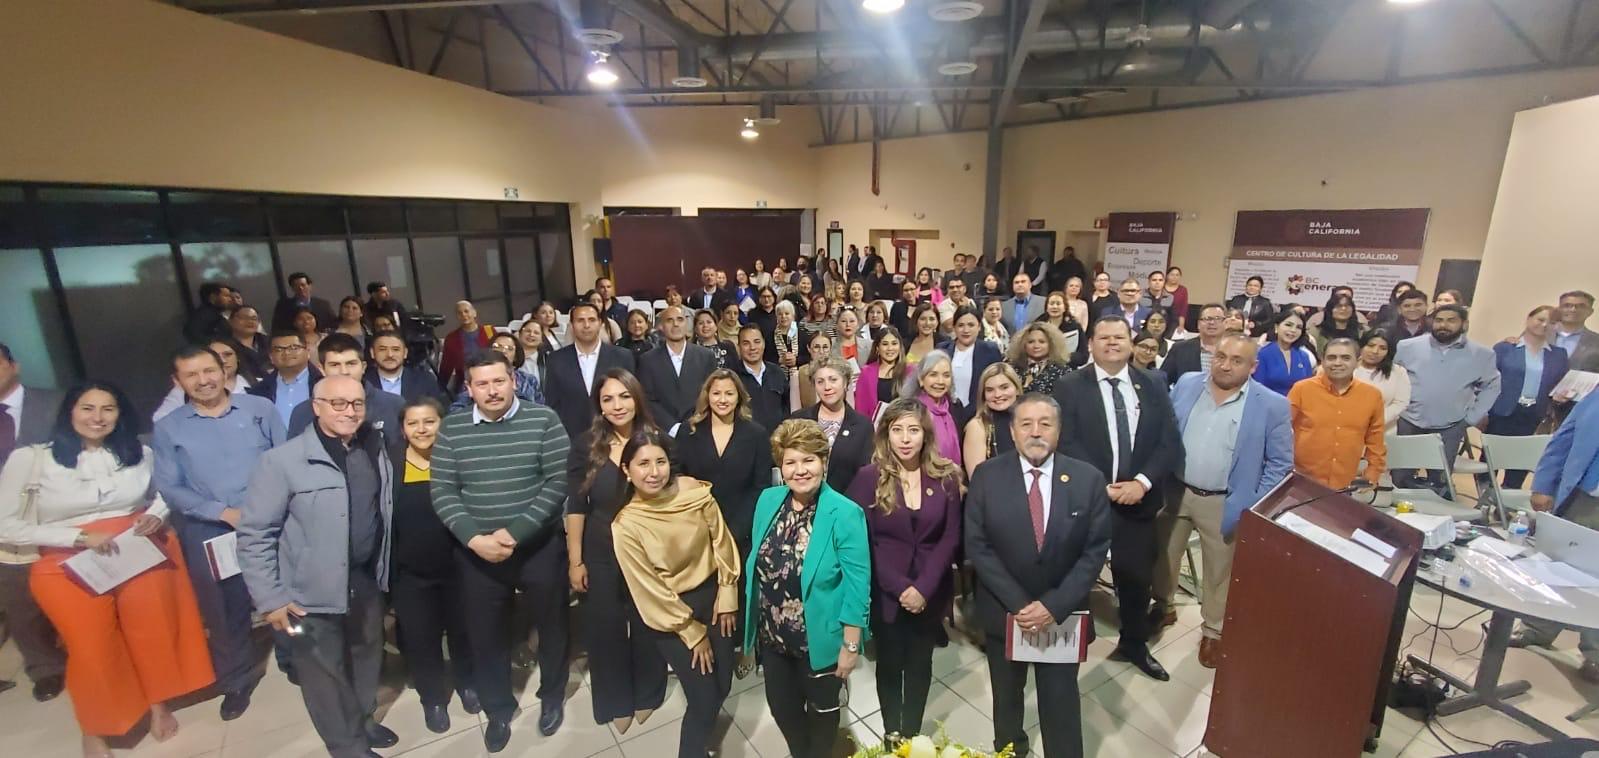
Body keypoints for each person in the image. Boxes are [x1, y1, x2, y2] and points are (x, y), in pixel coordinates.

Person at [0, 382, 214, 755]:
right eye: (88, 408)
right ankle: (96, 727)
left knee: (150, 636)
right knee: (90, 649)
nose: (97, 418)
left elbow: (165, 492)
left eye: (108, 409)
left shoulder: (138, 452)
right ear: (70, 411)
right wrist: (78, 537)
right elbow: (5, 524)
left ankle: (156, 706)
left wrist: (154, 515)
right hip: (65, 562)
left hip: (137, 552)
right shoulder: (33, 459)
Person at [239, 375, 398, 757]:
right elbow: (255, 533)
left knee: (365, 657)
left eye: (357, 404)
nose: (349, 412)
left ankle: (363, 721)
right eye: (338, 403)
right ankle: (345, 747)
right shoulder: (281, 461)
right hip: (308, 593)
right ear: (316, 406)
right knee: (324, 677)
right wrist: (271, 599)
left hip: (364, 579)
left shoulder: (373, 448)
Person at [431, 353, 572, 750]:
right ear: (469, 389)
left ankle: (552, 697)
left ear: (513, 380)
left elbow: (556, 481)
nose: (491, 390)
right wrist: (475, 539)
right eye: (482, 384)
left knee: (552, 624)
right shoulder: (452, 430)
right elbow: (442, 490)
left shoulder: (543, 420)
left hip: (538, 546)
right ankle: (497, 708)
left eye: (498, 381)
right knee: (485, 633)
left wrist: (513, 533)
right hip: (476, 550)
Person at [966, 393, 1111, 758]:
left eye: (1045, 424)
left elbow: (1094, 552)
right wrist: (1020, 605)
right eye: (1026, 424)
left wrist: (1052, 606)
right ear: (1012, 432)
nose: (1035, 432)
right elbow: (977, 546)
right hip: (1006, 613)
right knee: (1007, 700)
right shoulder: (987, 476)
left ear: (1058, 431)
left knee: (1060, 701)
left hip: (1061, 616)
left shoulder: (1087, 479)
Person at [154, 344, 288, 719]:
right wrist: (223, 512)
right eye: (191, 375)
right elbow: (171, 486)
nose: (203, 380)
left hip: (271, 520)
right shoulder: (169, 427)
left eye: (208, 371)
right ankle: (237, 680)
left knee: (283, 591)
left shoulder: (259, 409)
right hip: (210, 530)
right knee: (225, 610)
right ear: (177, 381)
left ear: (224, 370)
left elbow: (285, 457)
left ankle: (296, 660)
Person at [1052, 316, 1184, 681]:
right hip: (1087, 500)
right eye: (1104, 337)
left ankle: (1134, 644)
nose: (1112, 343)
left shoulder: (1152, 384)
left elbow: (1168, 441)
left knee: (1136, 577)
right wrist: (1100, 484)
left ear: (1131, 342)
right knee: (1075, 576)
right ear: (1091, 343)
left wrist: (1141, 483)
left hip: (1136, 501)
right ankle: (1062, 647)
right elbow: (1065, 441)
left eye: (1119, 337)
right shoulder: (1069, 385)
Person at [1156, 335, 1294, 668]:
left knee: (1219, 571)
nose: (1226, 365)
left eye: (1236, 360)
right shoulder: (1189, 384)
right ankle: (1162, 606)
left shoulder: (1271, 404)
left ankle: (1213, 632)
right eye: (1220, 356)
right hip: (1175, 492)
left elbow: (1280, 464)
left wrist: (1253, 504)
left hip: (1224, 501)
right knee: (1163, 556)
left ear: (1253, 367)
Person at [611, 430, 742, 758]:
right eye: (643, 464)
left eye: (660, 462)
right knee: (702, 696)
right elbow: (646, 588)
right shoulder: (626, 524)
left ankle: (703, 740)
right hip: (670, 615)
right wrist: (690, 631)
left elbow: (720, 539)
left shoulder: (694, 492)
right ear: (627, 470)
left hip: (714, 597)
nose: (654, 472)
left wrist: (727, 592)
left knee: (723, 683)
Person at [745, 419, 871, 758]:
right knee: (782, 709)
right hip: (772, 639)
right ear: (781, 467)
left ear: (824, 462)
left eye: (809, 460)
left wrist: (851, 644)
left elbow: (858, 587)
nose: (800, 470)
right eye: (791, 462)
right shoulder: (768, 501)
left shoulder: (845, 513)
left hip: (819, 641)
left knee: (823, 713)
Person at [844, 399, 963, 741]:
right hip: (886, 592)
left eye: (913, 430)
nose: (905, 439)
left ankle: (912, 733)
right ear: (886, 435)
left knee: (920, 664)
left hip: (930, 589)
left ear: (925, 435)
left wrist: (923, 587)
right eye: (897, 430)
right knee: (890, 663)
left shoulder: (946, 477)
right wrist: (898, 587)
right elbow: (860, 541)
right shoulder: (868, 478)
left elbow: (951, 536)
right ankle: (892, 731)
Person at [564, 370, 669, 736]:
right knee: (604, 626)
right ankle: (614, 700)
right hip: (600, 546)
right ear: (599, 405)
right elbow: (576, 504)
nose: (617, 405)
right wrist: (575, 560)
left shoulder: (657, 439)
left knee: (647, 621)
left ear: (637, 397)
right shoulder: (585, 445)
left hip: (648, 548)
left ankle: (648, 693)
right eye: (608, 399)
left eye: (624, 396)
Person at [388, 398, 478, 733]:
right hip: (410, 572)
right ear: (403, 429)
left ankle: (468, 683)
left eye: (429, 422)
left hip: (458, 566)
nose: (422, 430)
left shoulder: (456, 457)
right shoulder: (390, 463)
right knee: (420, 638)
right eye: (413, 423)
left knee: (462, 631)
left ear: (443, 424)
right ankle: (433, 699)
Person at [1507, 390, 1599, 681]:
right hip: (1581, 495)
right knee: (1559, 564)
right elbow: (1564, 438)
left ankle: (1595, 652)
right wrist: (1543, 484)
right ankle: (1537, 628)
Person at [0, 343, 67, 701]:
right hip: (5, 527)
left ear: (14, 364)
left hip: (58, 513)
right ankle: (45, 668)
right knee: (21, 602)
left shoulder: (56, 403)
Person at [676, 368, 773, 588]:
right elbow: (678, 478)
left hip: (740, 532)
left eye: (729, 393)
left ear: (739, 396)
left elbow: (760, 487)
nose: (722, 399)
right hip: (696, 531)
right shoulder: (688, 432)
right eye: (716, 393)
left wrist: (734, 531)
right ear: (707, 396)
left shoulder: (756, 434)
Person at [1392, 304, 1501, 497]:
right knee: (1399, 479)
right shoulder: (1408, 346)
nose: (1444, 325)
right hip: (1409, 421)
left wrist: (1471, 418)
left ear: (1464, 324)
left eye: (1451, 320)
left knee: (1439, 485)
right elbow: (1394, 377)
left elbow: (1492, 386)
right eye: (1439, 320)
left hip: (1450, 426)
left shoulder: (1482, 355)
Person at [1487, 306, 1570, 487]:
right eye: (1540, 319)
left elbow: (1559, 385)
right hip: (1503, 411)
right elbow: (1487, 379)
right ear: (1529, 318)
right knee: (1490, 460)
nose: (1544, 324)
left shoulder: (1558, 355)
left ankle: (1506, 504)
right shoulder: (1505, 347)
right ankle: (1484, 502)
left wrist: (1560, 396)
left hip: (1534, 414)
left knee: (1520, 462)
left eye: (1551, 322)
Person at [1288, 338, 1387, 489]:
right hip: (1301, 481)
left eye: (1345, 358)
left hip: (1345, 486)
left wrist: (1371, 476)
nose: (1337, 363)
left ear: (1358, 361)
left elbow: (1376, 443)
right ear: (1322, 360)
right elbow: (1280, 432)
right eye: (1331, 358)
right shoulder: (1301, 389)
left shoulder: (1372, 395)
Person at [288, 333, 406, 446]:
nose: (344, 371)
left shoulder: (394, 405)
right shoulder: (303, 412)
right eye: (335, 365)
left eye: (351, 364)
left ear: (363, 367)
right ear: (322, 369)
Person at [545, 302, 639, 437]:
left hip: (616, 435)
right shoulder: (556, 359)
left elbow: (633, 398)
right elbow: (552, 403)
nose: (586, 325)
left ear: (600, 323)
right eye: (580, 320)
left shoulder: (623, 356)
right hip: (571, 437)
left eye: (592, 320)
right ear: (571, 325)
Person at [792, 357, 874, 492]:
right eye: (820, 382)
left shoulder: (862, 425)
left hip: (847, 502)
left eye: (833, 380)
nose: (827, 387)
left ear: (845, 383)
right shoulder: (799, 420)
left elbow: (865, 473)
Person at [636, 305, 718, 431]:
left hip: (700, 430)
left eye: (680, 319)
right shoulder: (647, 360)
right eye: (670, 320)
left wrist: (695, 422)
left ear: (686, 324)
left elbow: (712, 394)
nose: (675, 324)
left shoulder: (706, 357)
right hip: (663, 433)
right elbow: (647, 399)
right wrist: (673, 427)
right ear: (661, 327)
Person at [153, 337, 254, 423]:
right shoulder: (182, 392)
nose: (223, 360)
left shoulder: (258, 387)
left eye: (227, 354)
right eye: (191, 374)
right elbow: (160, 420)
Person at [905, 351, 963, 469]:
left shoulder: (955, 408)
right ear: (921, 379)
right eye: (933, 375)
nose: (940, 381)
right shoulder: (911, 411)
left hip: (954, 479)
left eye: (946, 375)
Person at [962, 363, 1022, 477]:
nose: (998, 394)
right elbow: (977, 480)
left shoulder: (1027, 422)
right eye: (990, 390)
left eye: (1004, 387)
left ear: (1017, 389)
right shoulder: (977, 427)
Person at [943, 307, 1004, 412]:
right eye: (961, 325)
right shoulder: (942, 349)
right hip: (947, 411)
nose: (966, 330)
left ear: (979, 327)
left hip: (979, 413)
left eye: (971, 325)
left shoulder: (990, 350)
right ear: (954, 327)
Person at [1355, 329, 1411, 433]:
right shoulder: (1348, 369)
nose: (1375, 351)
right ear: (1362, 346)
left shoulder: (1398, 372)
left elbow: (1400, 402)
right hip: (1349, 429)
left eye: (1382, 348)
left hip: (1384, 431)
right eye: (1371, 345)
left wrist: (1376, 421)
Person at [734, 324, 788, 433]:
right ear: (739, 346)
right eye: (746, 343)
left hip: (777, 442)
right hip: (746, 443)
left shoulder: (777, 372)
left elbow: (786, 407)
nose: (752, 347)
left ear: (764, 343)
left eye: (757, 342)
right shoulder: (733, 377)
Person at [437, 300, 499, 395]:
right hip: (464, 383)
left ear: (474, 313)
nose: (463, 315)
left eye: (466, 311)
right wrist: (440, 387)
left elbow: (499, 356)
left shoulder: (490, 331)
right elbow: (446, 365)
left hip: (490, 377)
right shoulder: (451, 338)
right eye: (459, 313)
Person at [1253, 309, 1319, 395]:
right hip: (1268, 405)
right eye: (1288, 325)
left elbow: (1308, 389)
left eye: (1298, 327)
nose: (1293, 330)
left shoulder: (1304, 356)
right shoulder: (1262, 354)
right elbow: (1257, 389)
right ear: (1276, 327)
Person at [367, 330, 443, 404]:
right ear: (372, 353)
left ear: (405, 353)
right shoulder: (362, 382)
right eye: (382, 349)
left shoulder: (426, 380)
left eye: (396, 349)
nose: (390, 354)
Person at [1164, 305, 1227, 388]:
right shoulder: (1180, 349)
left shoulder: (1234, 350)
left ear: (1225, 323)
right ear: (1198, 324)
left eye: (1217, 318)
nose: (1212, 322)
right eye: (1207, 318)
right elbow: (1162, 381)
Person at [857, 327, 912, 416]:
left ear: (900, 346)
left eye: (894, 343)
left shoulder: (910, 371)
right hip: (875, 427)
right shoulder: (866, 373)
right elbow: (861, 408)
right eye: (885, 344)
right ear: (877, 348)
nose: (890, 348)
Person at [1008, 322, 1071, 396]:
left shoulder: (1063, 371)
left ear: (1051, 344)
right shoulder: (1011, 369)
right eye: (1031, 342)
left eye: (1042, 342)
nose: (1036, 346)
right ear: (1023, 345)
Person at [1036, 291, 1087, 366]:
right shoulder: (1038, 326)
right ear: (1046, 307)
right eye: (1051, 303)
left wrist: (1066, 357)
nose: (1055, 307)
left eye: (1058, 304)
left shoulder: (1074, 327)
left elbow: (1083, 355)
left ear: (1065, 308)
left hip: (1068, 369)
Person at [272, 272, 337, 332]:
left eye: (303, 285)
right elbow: (277, 328)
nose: (300, 288)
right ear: (292, 288)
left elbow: (334, 324)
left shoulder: (323, 305)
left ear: (310, 286)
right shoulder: (283, 306)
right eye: (296, 285)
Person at [1553, 290, 1599, 371]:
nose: (1573, 310)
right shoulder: (1539, 335)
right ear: (1559, 309)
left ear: (1590, 312)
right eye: (1567, 305)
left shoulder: (1596, 342)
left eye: (1581, 306)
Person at [793, 331, 834, 410]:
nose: (821, 352)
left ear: (830, 348)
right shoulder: (798, 375)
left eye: (825, 347)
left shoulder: (840, 373)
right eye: (816, 347)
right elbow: (795, 411)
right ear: (809, 348)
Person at [227, 305, 270, 380]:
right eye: (244, 318)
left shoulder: (268, 341)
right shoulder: (225, 346)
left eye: (254, 318)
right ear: (231, 321)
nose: (250, 321)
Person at [1166, 266, 1190, 332]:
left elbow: (1183, 309)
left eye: (1177, 275)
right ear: (1167, 276)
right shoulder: (1161, 288)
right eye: (1172, 275)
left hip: (1175, 321)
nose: (1174, 277)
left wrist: (1181, 325)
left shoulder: (1183, 290)